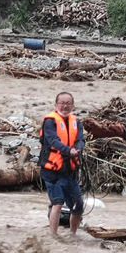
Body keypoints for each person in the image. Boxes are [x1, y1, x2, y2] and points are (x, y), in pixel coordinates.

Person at [39, 92, 85, 235]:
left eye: (68, 103)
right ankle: (53, 236)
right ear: (56, 105)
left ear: (72, 105)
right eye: (62, 103)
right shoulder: (50, 121)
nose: (65, 106)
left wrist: (78, 149)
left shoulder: (76, 121)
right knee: (57, 203)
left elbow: (81, 139)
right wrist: (68, 150)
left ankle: (73, 235)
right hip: (52, 171)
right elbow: (53, 141)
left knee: (78, 205)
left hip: (69, 171)